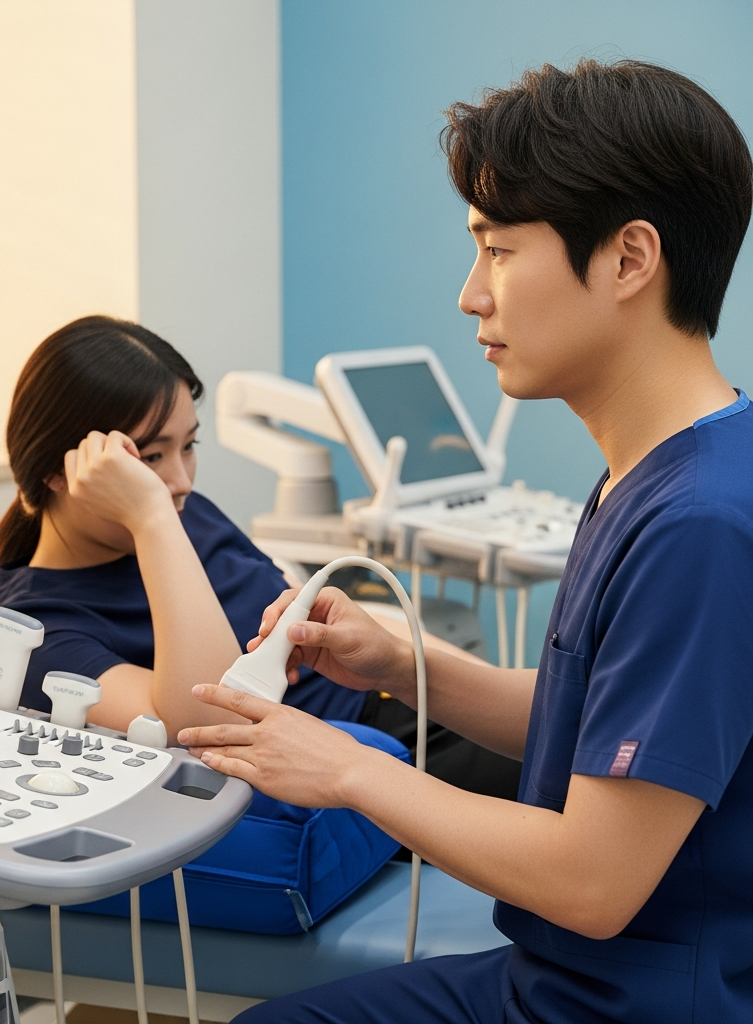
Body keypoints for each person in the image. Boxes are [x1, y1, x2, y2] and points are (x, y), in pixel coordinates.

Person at [180, 60, 753, 1024]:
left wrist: (349, 769)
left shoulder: (697, 525)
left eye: (497, 250)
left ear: (628, 259)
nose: (470, 296)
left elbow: (593, 884)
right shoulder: (669, 469)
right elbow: (609, 738)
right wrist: (402, 664)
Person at [0, 316, 519, 797]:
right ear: (62, 472)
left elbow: (314, 624)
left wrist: (478, 687)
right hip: (358, 756)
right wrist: (151, 517)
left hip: (401, 709)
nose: (179, 480)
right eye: (151, 456)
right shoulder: (34, 631)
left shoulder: (187, 515)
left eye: (189, 446)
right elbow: (212, 721)